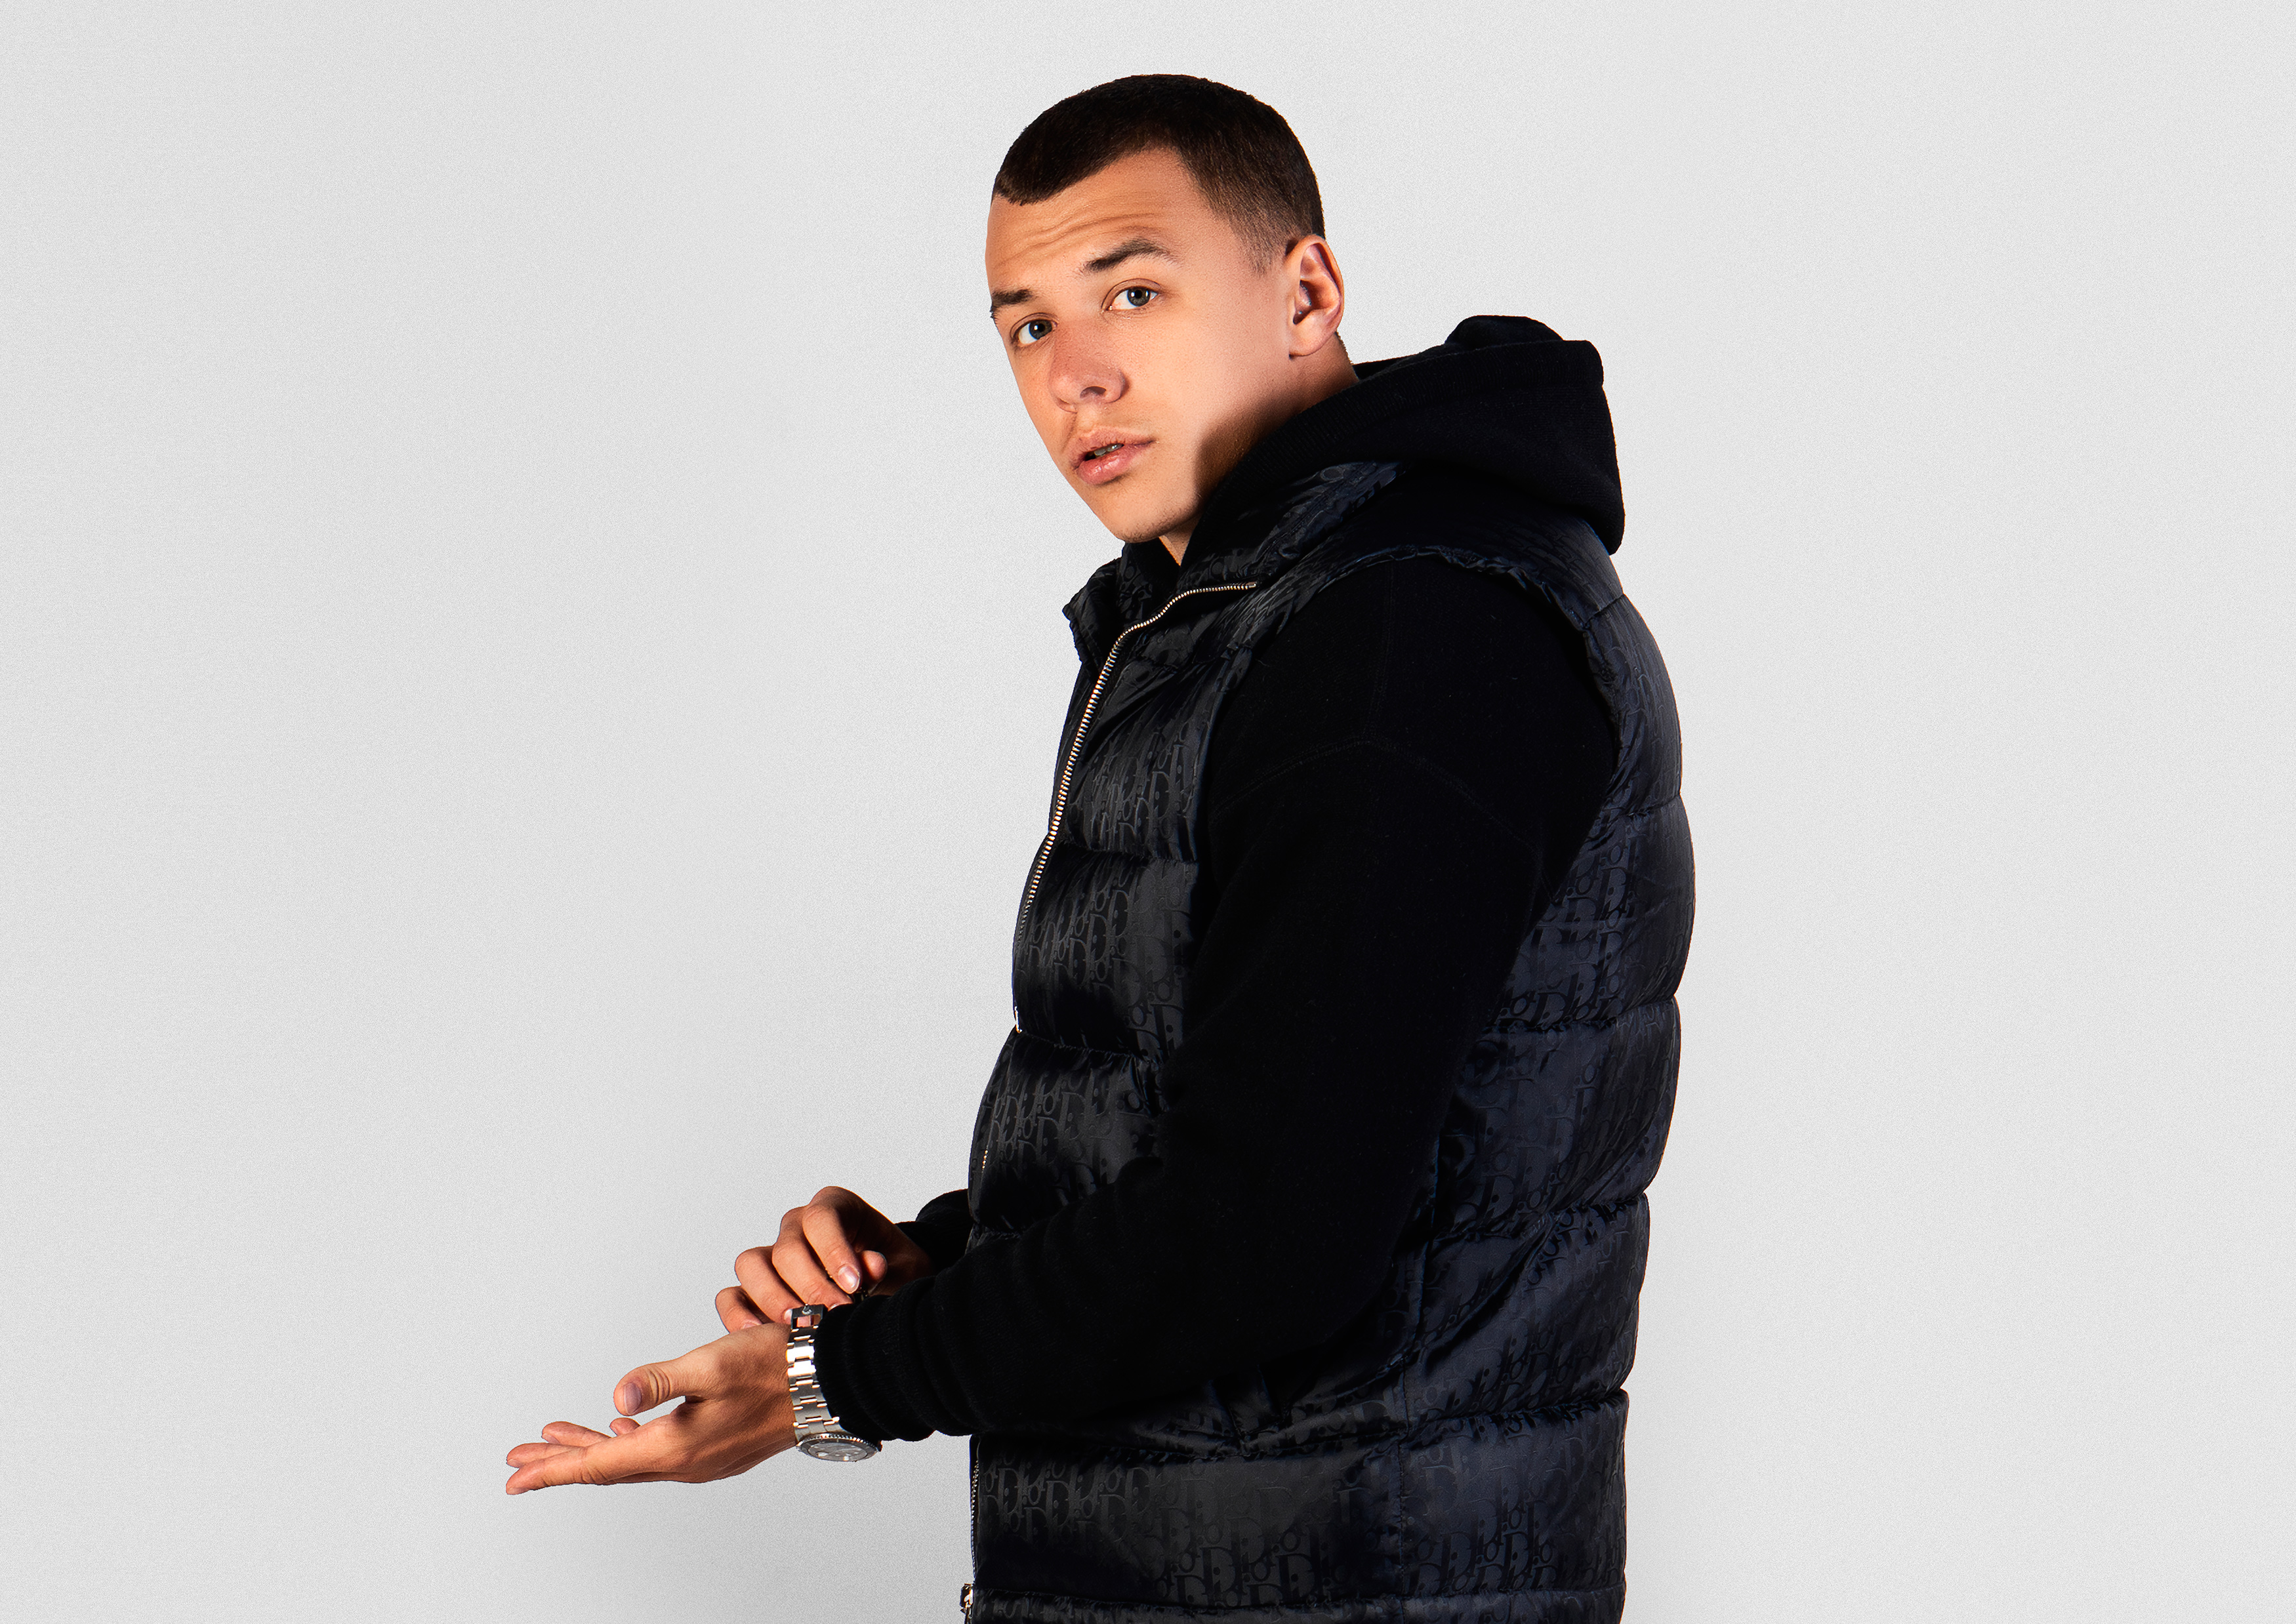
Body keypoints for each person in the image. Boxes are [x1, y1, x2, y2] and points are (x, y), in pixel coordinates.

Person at [504, 74, 1693, 1624]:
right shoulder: (1254, 614)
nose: (1077, 374)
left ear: (1306, 291)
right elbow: (1271, 1134)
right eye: (1026, 325)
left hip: (1330, 1586)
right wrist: (939, 1265)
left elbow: (1271, 1236)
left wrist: (832, 1379)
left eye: (1133, 290)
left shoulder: (1410, 630)